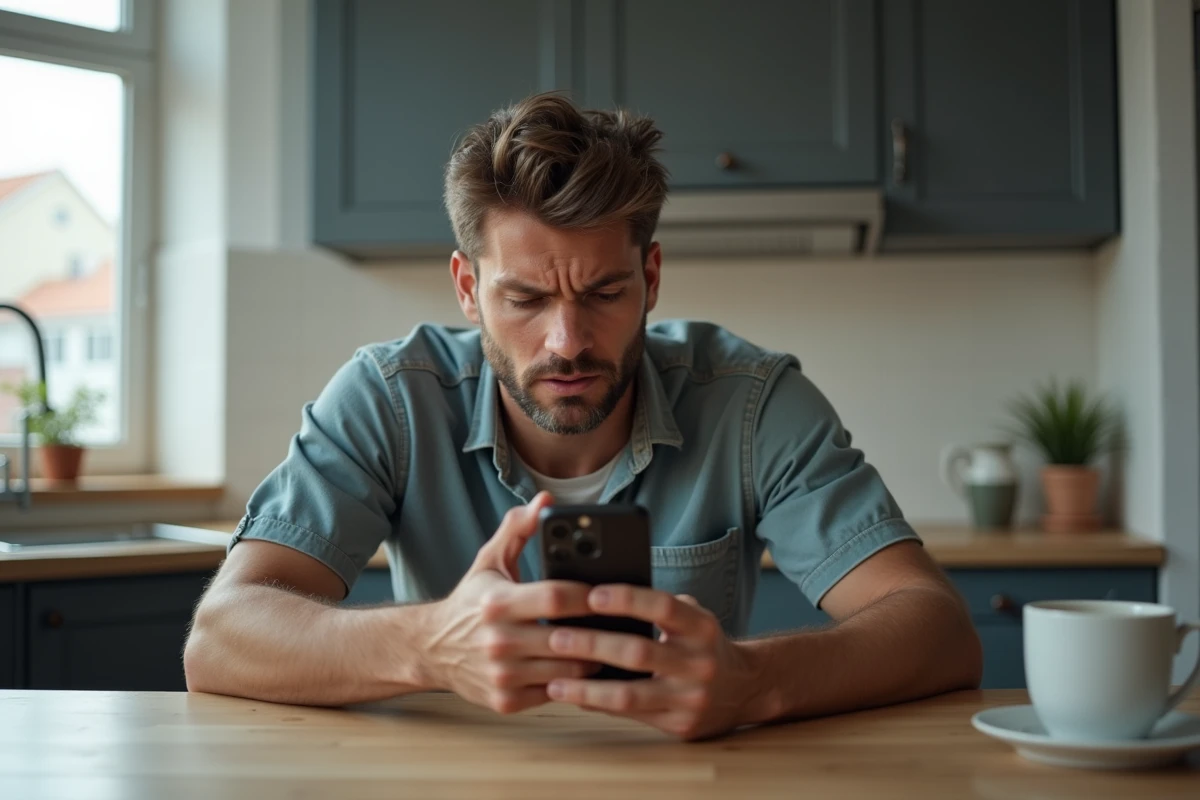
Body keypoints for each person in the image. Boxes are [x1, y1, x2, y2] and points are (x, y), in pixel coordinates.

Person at [184, 92, 982, 740]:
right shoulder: (389, 397)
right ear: (468, 289)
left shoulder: (750, 402)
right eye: (525, 298)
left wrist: (753, 684)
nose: (567, 343)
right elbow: (221, 639)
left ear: (652, 275)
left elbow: (939, 630)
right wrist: (429, 645)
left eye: (604, 294)